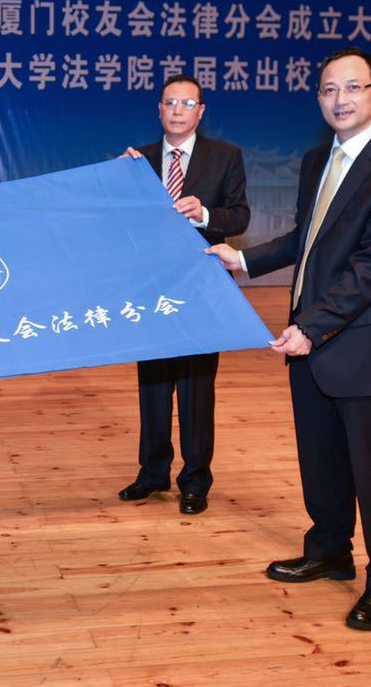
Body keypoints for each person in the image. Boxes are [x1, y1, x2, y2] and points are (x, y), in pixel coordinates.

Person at [207, 47, 371, 632]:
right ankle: (330, 549)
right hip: (311, 334)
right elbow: (307, 237)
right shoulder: (316, 160)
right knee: (321, 456)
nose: (340, 99)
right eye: (329, 89)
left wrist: (312, 326)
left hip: (360, 342)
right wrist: (244, 260)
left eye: (353, 87)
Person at [118, 74, 250, 515]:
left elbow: (240, 216)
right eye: (170, 102)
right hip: (151, 288)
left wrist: (206, 214)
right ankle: (152, 473)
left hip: (201, 288)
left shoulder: (225, 156)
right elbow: (120, 220)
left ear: (201, 111)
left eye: (187, 103)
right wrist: (118, 182)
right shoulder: (137, 160)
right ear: (158, 109)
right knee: (153, 386)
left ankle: (195, 481)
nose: (177, 110)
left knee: (196, 389)